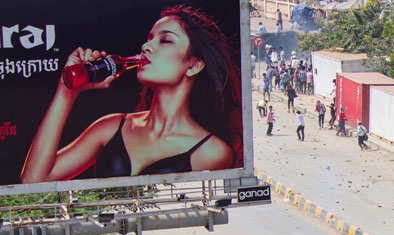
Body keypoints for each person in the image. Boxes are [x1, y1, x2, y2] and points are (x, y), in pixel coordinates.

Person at [23, 5, 240, 184]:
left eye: (165, 40)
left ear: (193, 65)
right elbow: (33, 180)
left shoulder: (212, 152)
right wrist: (66, 91)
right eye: (149, 38)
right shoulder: (111, 127)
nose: (146, 46)